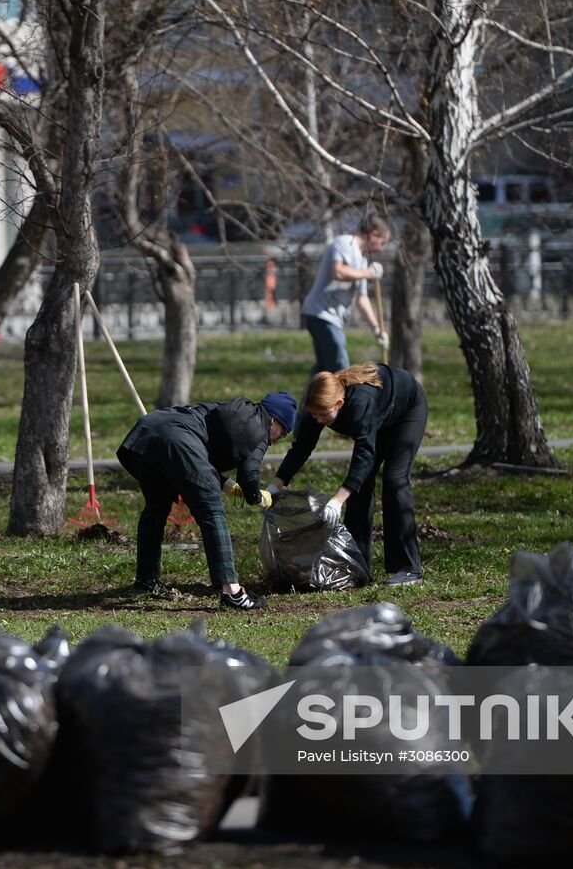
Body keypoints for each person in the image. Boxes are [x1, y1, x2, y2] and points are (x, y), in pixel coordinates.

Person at [116, 392, 298, 610]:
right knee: (212, 512)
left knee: (156, 508)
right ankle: (232, 592)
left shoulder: (233, 411)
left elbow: (199, 452)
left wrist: (228, 486)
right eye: (283, 433)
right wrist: (256, 497)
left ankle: (146, 581)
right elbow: (248, 475)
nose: (276, 441)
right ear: (274, 420)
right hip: (177, 441)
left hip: (146, 432)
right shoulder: (259, 426)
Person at [269, 363, 427, 586]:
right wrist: (274, 487)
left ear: (340, 404)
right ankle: (356, 563)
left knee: (394, 479)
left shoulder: (360, 402)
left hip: (406, 410)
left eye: (323, 415)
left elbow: (364, 454)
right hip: (376, 418)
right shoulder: (316, 408)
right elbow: (300, 449)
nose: (318, 421)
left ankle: (408, 567)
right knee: (360, 488)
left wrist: (337, 500)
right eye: (314, 415)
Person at [300, 213, 390, 376]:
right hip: (321, 314)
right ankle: (344, 401)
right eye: (382, 242)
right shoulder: (344, 243)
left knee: (323, 371)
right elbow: (338, 272)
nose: (381, 249)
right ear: (374, 234)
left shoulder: (362, 262)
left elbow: (361, 299)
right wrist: (368, 273)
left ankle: (311, 400)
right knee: (341, 369)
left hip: (331, 318)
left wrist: (377, 329)